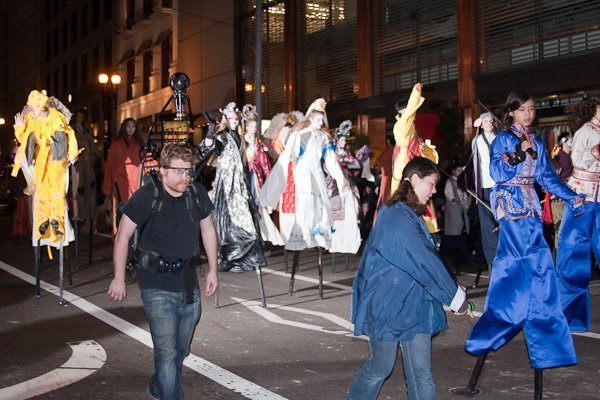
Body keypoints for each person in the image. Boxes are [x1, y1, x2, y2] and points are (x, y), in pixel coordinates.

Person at [465, 90, 586, 371]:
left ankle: (548, 341)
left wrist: (571, 196)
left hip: (530, 208)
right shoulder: (504, 139)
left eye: (531, 109)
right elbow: (497, 174)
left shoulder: (537, 141)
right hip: (511, 206)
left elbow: (546, 177)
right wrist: (517, 155)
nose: (528, 115)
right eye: (523, 110)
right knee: (520, 265)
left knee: (543, 269)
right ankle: (503, 317)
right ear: (511, 112)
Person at [348, 157, 472, 400]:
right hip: (389, 305)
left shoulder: (404, 214)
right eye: (432, 183)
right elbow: (424, 261)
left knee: (421, 372)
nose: (435, 191)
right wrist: (455, 297)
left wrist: (454, 294)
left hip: (414, 304)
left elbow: (425, 262)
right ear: (415, 180)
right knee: (380, 367)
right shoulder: (396, 216)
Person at [107, 143, 218, 400]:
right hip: (155, 284)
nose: (185, 177)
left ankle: (158, 386)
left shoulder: (196, 192)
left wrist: (213, 270)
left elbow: (209, 231)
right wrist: (118, 277)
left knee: (181, 350)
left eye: (188, 171)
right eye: (178, 171)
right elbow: (123, 236)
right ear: (163, 171)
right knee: (167, 352)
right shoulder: (147, 195)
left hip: (189, 285)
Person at [260, 98, 346, 251]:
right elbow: (287, 156)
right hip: (303, 171)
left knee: (323, 203)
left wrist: (340, 179)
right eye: (318, 120)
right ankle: (304, 234)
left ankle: (317, 234)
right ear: (311, 118)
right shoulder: (299, 135)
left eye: (322, 119)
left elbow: (331, 161)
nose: (321, 123)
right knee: (306, 202)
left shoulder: (324, 137)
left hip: (316, 172)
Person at [198, 102, 266, 272]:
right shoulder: (221, 136)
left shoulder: (240, 137)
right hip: (227, 185)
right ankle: (231, 257)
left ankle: (245, 258)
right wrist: (211, 130)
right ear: (226, 119)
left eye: (236, 118)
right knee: (231, 222)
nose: (234, 121)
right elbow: (206, 149)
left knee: (247, 222)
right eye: (231, 118)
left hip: (239, 185)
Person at [556, 97, 600, 332]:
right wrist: (595, 152)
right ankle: (573, 315)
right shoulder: (585, 131)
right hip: (582, 197)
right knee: (574, 254)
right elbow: (577, 161)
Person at [12, 90, 79, 244]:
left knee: (56, 189)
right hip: (41, 159)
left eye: (33, 107)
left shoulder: (55, 116)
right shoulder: (32, 119)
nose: (31, 110)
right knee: (41, 189)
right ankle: (43, 221)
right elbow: (25, 139)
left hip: (57, 158)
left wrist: (72, 153)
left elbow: (69, 133)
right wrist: (19, 129)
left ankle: (57, 222)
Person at [390, 83, 439, 233]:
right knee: (408, 199)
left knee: (422, 198)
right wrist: (415, 94)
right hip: (405, 167)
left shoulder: (412, 130)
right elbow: (409, 115)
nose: (411, 116)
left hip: (415, 167)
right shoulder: (401, 126)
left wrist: (425, 149)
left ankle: (424, 230)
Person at [242, 104, 284, 246]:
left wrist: (269, 179)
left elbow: (264, 163)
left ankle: (260, 236)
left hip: (255, 178)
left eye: (255, 126)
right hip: (244, 177)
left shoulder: (257, 143)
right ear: (247, 127)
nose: (254, 129)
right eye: (252, 126)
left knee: (257, 205)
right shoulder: (241, 142)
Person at [471, 112, 499, 270]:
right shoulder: (477, 141)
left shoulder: (500, 139)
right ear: (481, 124)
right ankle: (492, 259)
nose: (488, 124)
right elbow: (476, 164)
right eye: (485, 121)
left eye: (490, 121)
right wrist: (477, 190)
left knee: (501, 218)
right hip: (485, 184)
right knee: (487, 223)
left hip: (499, 183)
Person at [102, 118, 143, 204]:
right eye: (128, 126)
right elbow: (110, 165)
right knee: (122, 206)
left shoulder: (139, 143)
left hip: (136, 179)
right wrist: (108, 187)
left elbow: (144, 161)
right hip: (120, 180)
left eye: (133, 126)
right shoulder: (116, 144)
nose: (131, 128)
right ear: (124, 127)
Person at [443, 164, 471, 275]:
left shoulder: (462, 183)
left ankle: (460, 259)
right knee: (453, 235)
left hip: (461, 211)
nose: (460, 172)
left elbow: (465, 197)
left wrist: (466, 203)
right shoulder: (450, 182)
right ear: (454, 171)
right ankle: (451, 257)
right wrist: (453, 200)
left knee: (459, 234)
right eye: (458, 170)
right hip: (453, 211)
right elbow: (448, 193)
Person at [71, 111, 97, 222]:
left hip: (88, 162)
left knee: (90, 187)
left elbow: (91, 143)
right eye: (78, 116)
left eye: (82, 116)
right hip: (78, 163)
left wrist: (93, 156)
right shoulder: (72, 130)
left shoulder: (87, 129)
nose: (80, 118)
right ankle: (80, 214)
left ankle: (90, 212)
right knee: (79, 189)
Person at [549, 131, 573, 249]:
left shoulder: (569, 157)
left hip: (567, 198)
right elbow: (551, 178)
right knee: (561, 229)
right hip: (558, 200)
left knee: (568, 228)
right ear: (564, 142)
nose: (572, 142)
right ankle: (559, 258)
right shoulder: (559, 158)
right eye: (570, 140)